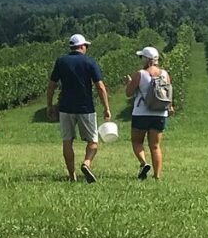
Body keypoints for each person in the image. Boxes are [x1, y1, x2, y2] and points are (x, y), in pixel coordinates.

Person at [46, 34, 112, 183]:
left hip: (65, 108)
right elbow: (100, 87)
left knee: (67, 141)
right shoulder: (89, 62)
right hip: (86, 107)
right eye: (86, 46)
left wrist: (50, 105)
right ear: (82, 46)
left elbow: (51, 86)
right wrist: (106, 107)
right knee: (93, 141)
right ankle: (86, 163)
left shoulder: (61, 62)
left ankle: (72, 176)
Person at [124, 46, 173, 181]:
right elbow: (168, 93)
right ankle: (157, 175)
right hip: (159, 113)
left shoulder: (140, 74)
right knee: (155, 146)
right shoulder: (165, 74)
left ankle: (143, 163)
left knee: (136, 141)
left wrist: (129, 83)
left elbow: (128, 93)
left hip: (141, 113)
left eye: (141, 57)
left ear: (146, 59)